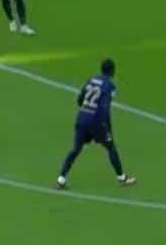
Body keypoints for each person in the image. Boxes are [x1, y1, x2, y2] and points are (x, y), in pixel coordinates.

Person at [55, 58, 136, 190]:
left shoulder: (91, 79)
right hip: (96, 121)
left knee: (75, 149)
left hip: (82, 118)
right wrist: (107, 127)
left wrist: (86, 111)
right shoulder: (109, 85)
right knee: (111, 147)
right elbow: (105, 108)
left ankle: (60, 179)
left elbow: (80, 99)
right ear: (112, 71)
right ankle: (122, 178)